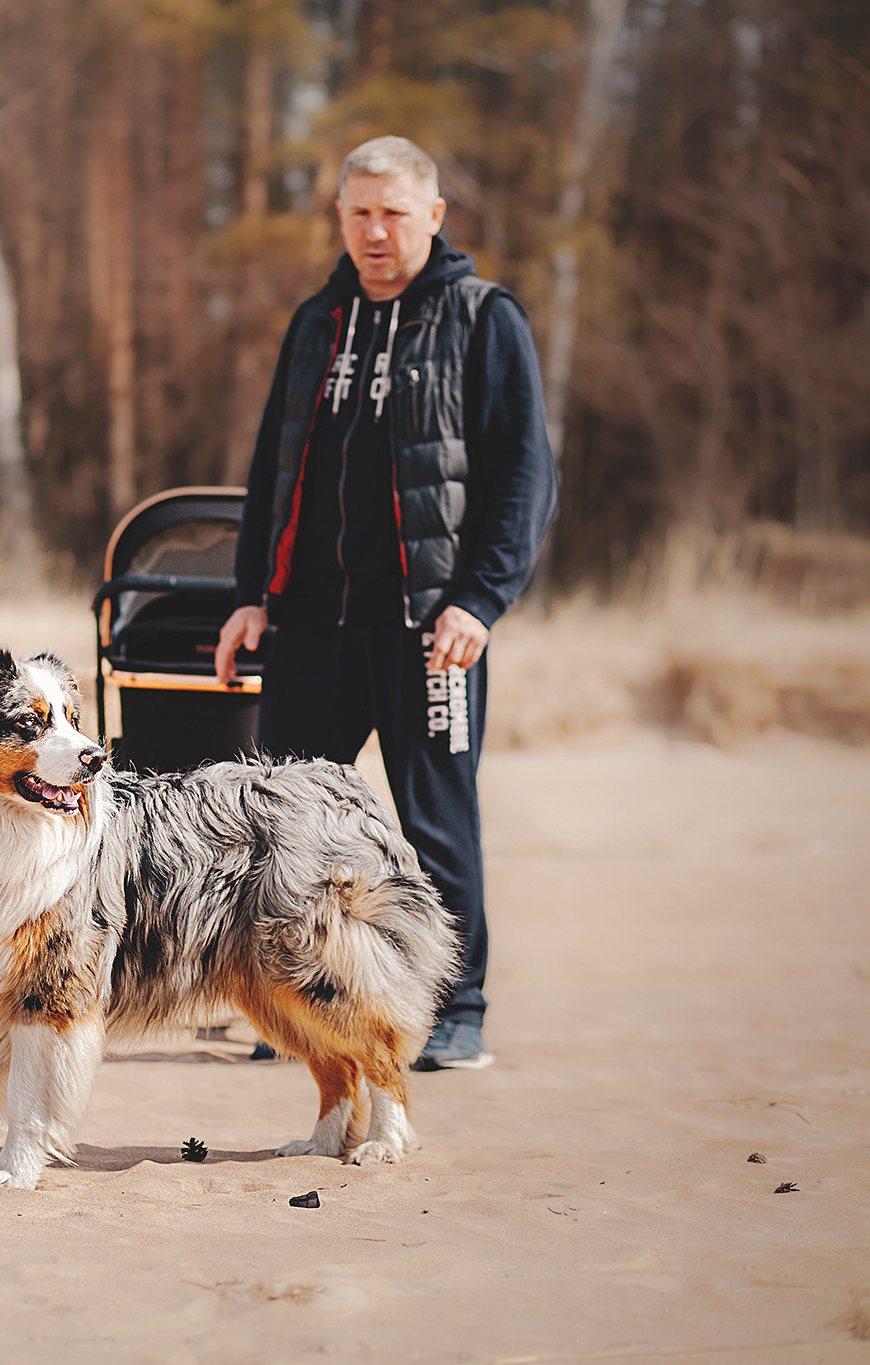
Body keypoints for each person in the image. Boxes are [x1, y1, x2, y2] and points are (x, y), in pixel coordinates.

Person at [214, 136, 556, 1071]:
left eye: (395, 213)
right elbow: (273, 468)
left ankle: (455, 1010)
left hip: (429, 629)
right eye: (359, 212)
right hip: (312, 625)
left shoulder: (483, 318)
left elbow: (525, 477)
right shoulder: (316, 321)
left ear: (434, 217)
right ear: (340, 218)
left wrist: (480, 601)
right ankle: (300, 1007)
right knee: (285, 822)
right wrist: (251, 594)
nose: (375, 231)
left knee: (435, 819)